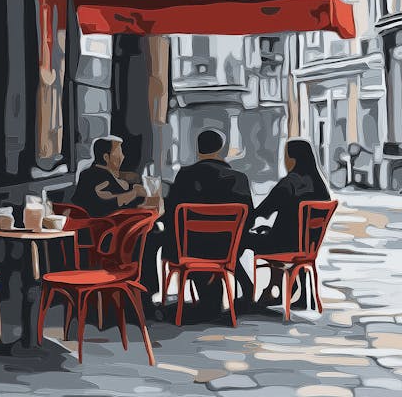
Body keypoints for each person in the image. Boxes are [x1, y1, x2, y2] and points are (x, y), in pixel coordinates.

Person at [141, 129, 253, 310]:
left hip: (189, 249)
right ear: (222, 150)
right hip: (227, 249)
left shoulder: (186, 175)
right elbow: (249, 218)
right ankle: (236, 293)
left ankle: (147, 295)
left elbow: (172, 214)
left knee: (151, 237)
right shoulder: (239, 178)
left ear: (198, 150)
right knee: (223, 240)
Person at [246, 139, 331, 305]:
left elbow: (264, 211)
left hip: (285, 245)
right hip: (307, 246)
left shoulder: (290, 182)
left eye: (286, 156)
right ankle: (277, 290)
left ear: (292, 159)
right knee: (271, 234)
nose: (284, 160)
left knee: (242, 240)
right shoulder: (320, 185)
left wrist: (249, 219)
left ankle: (248, 293)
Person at [71, 136, 147, 217]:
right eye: (119, 153)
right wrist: (134, 193)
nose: (122, 157)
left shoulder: (86, 173)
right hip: (102, 224)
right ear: (106, 157)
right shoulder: (103, 178)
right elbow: (106, 204)